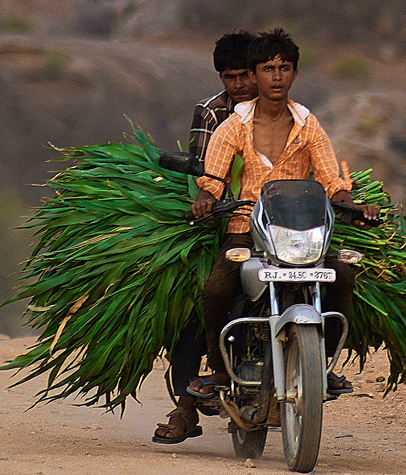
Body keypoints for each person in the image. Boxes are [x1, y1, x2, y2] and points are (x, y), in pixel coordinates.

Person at [186, 28, 379, 400]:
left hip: (300, 232)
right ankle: (219, 369)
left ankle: (323, 365)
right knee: (217, 288)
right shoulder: (232, 127)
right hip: (246, 230)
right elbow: (212, 178)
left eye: (284, 68)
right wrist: (205, 199)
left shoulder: (309, 125)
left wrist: (352, 206)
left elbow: (330, 178)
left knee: (341, 276)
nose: (276, 77)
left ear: (294, 73)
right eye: (268, 68)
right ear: (255, 74)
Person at [152, 30, 259, 445]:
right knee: (197, 301)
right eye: (230, 77)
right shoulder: (213, 112)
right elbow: (204, 170)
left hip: (277, 223)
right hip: (223, 220)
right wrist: (208, 200)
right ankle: (185, 406)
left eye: (245, 74)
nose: (239, 85)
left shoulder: (286, 111)